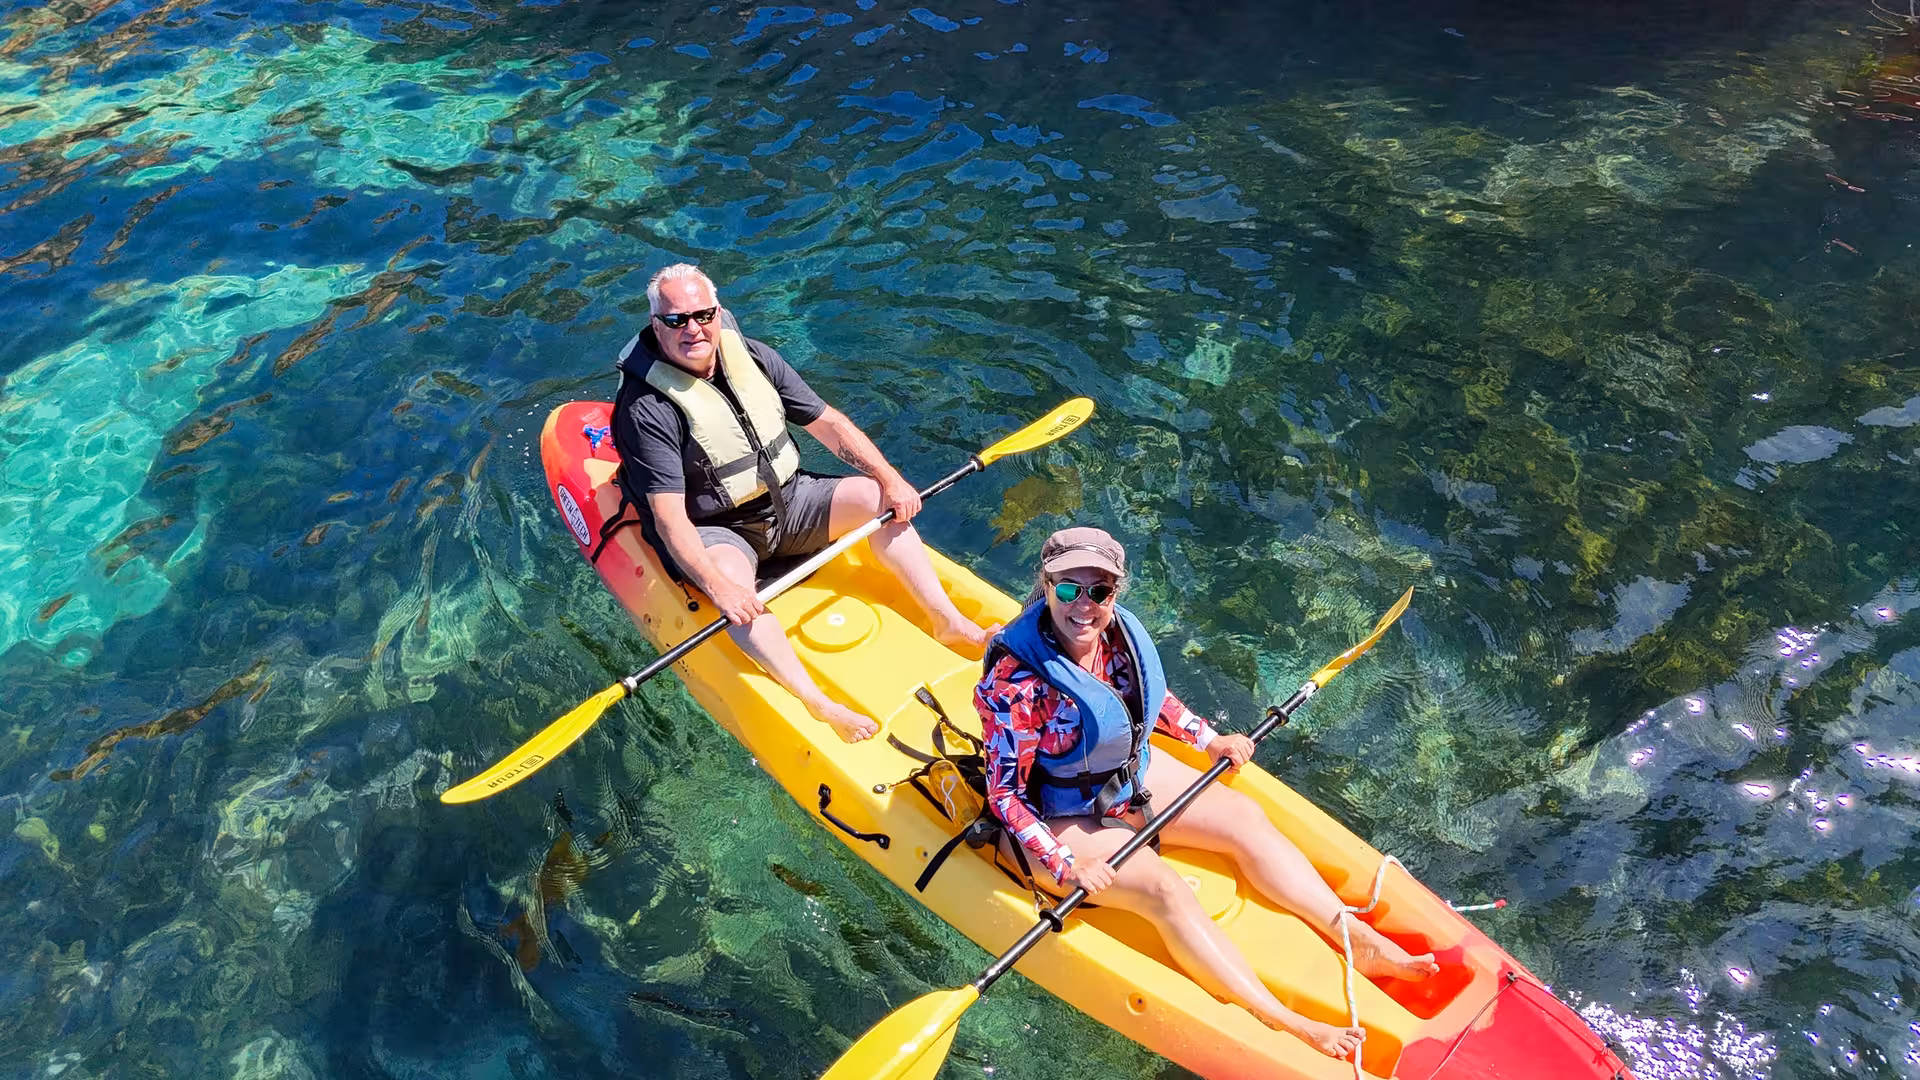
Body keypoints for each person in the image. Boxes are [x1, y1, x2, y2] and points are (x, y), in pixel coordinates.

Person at [974, 527, 1439, 1060]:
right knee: (1167, 891)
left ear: (1115, 593)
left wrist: (1207, 737)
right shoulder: (1015, 683)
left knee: (1242, 816)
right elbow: (1005, 794)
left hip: (1124, 781)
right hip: (1056, 816)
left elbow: (1151, 699)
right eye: (1068, 590)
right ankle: (1285, 1020)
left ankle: (1353, 935)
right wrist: (1064, 864)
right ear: (1047, 584)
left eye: (1099, 591)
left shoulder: (1116, 637)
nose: (1084, 606)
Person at [611, 264, 996, 744]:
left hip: (788, 502)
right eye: (675, 320)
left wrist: (891, 478)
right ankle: (817, 702)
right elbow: (670, 520)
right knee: (732, 588)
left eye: (703, 314)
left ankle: (948, 621)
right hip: (718, 528)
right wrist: (717, 586)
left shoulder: (752, 357)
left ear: (718, 312)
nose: (693, 328)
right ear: (655, 323)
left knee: (874, 496)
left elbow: (829, 424)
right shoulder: (646, 408)